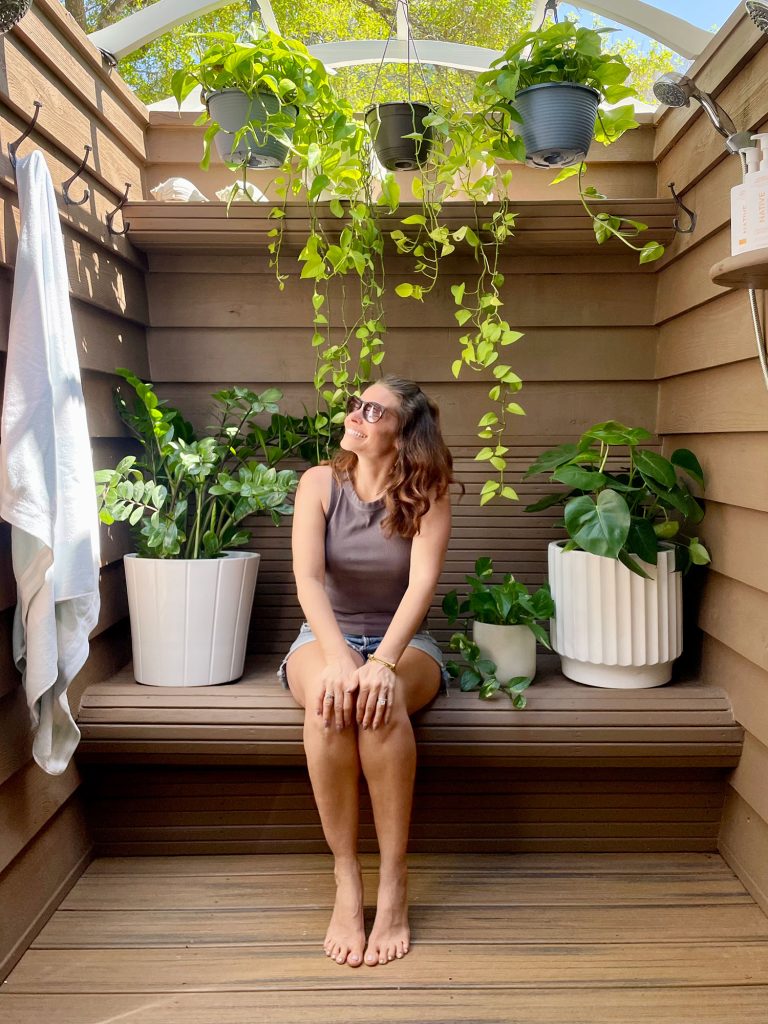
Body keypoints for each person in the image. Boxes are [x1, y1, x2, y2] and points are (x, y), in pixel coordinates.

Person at [280, 375, 455, 968]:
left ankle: (394, 883)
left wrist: (381, 661)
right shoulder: (319, 484)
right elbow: (307, 580)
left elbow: (422, 584)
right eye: (357, 404)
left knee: (380, 708)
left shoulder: (427, 492)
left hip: (405, 641)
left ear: (402, 434)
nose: (354, 414)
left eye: (372, 410)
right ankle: (348, 881)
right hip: (323, 635)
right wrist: (339, 658)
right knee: (332, 705)